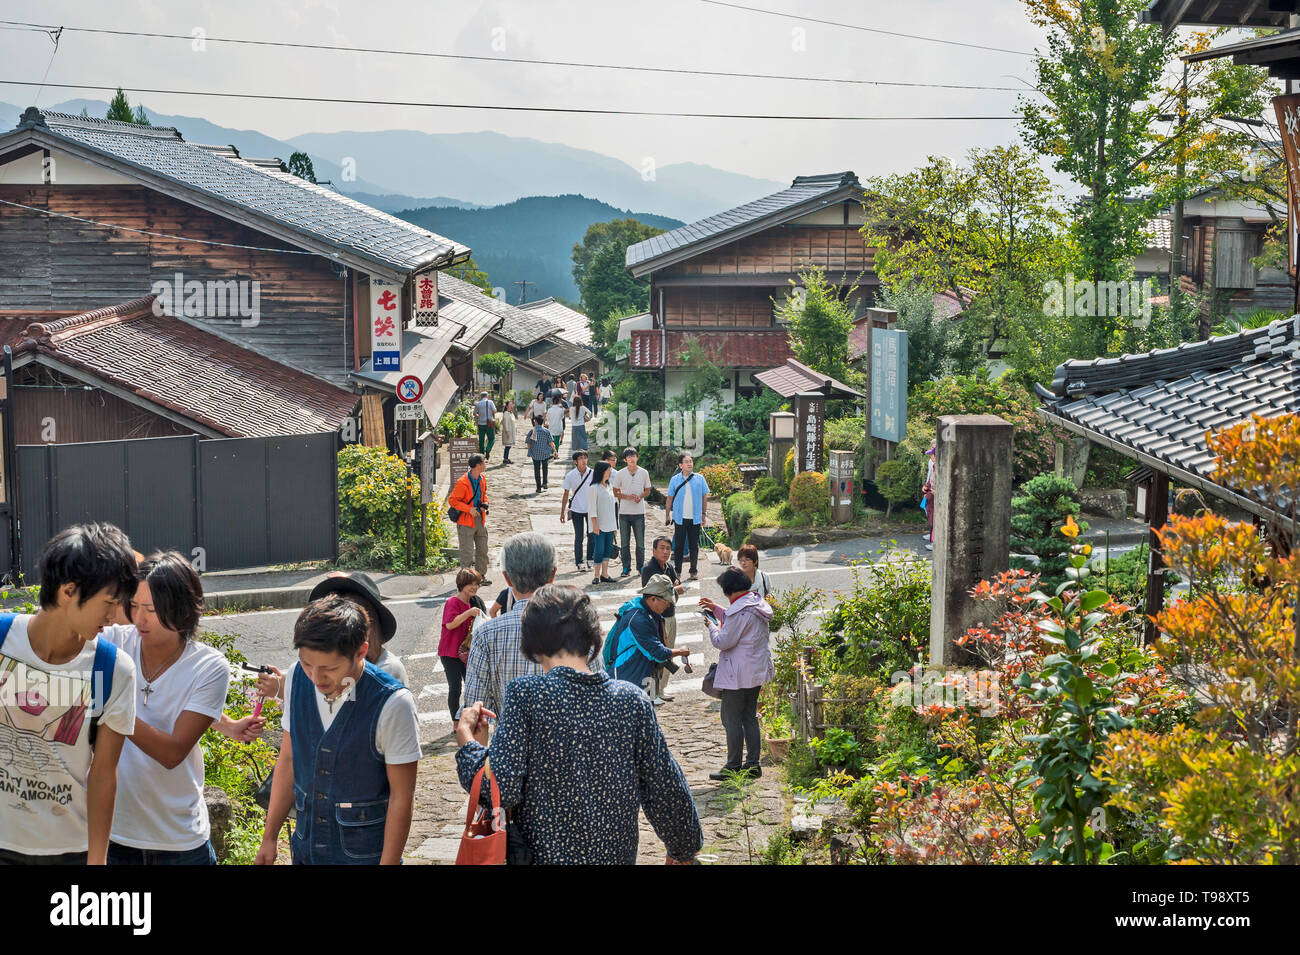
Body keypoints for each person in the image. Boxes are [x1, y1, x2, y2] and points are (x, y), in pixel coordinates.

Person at [455, 584, 701, 864]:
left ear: (533, 643)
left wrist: (469, 744)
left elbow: (501, 789)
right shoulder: (632, 701)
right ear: (593, 638)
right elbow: (665, 787)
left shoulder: (526, 695)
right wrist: (682, 850)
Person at [0, 523, 139, 865]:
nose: (114, 617)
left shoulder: (113, 669)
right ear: (68, 591)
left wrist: (97, 860)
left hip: (67, 851)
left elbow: (104, 774)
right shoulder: (3, 640)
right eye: (108, 603)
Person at [256, 596, 420, 865]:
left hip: (365, 855)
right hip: (306, 850)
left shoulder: (393, 703)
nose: (316, 678)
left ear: (361, 651)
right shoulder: (297, 677)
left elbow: (402, 797)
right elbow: (287, 760)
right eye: (308, 664)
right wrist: (269, 837)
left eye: (329, 669)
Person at [99, 552, 229, 865]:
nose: (139, 618)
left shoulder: (208, 666)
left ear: (182, 609)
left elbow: (172, 753)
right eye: (134, 606)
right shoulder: (114, 642)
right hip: (115, 834)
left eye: (152, 610)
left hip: (180, 841)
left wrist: (111, 704)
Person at [460, 532, 580, 721]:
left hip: (511, 747)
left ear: (507, 579)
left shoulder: (486, 634)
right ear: (553, 574)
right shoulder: (579, 627)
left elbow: (476, 711)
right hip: (569, 747)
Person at [699, 568, 774, 780]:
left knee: (731, 719)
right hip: (756, 671)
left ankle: (733, 766)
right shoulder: (755, 603)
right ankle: (752, 764)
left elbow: (723, 641)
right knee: (749, 717)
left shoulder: (739, 611)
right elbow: (739, 622)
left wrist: (712, 626)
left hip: (738, 675)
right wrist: (718, 610)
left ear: (730, 591)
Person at [602, 574, 690, 706]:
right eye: (666, 602)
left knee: (648, 711)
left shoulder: (647, 612)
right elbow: (657, 652)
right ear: (654, 598)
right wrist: (681, 651)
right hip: (626, 678)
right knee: (629, 719)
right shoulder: (638, 619)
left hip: (644, 676)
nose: (668, 606)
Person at [641, 537, 685, 703]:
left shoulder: (669, 567)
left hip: (671, 616)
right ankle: (652, 694)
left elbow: (677, 589)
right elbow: (654, 595)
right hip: (657, 619)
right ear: (653, 550)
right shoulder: (649, 569)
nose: (665, 552)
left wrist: (672, 590)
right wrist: (673, 588)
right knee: (655, 657)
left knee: (668, 655)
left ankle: (661, 690)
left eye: (668, 548)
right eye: (661, 548)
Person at [440, 569, 481, 720]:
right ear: (461, 584)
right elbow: (450, 624)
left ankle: (469, 718)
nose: (474, 587)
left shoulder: (473, 602)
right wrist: (468, 613)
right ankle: (456, 723)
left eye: (477, 584)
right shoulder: (453, 602)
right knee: (455, 688)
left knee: (471, 687)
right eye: (471, 584)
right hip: (449, 652)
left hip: (465, 653)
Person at [665, 453, 710, 581]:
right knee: (678, 546)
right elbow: (669, 498)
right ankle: (677, 572)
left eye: (691, 461)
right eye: (686, 461)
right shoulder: (675, 480)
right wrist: (667, 514)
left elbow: (704, 497)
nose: (690, 463)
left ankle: (693, 571)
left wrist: (703, 514)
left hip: (695, 518)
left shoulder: (700, 478)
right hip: (679, 517)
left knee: (693, 546)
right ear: (680, 465)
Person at [448, 453, 490, 584]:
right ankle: (466, 581)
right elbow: (453, 501)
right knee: (467, 553)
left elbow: (484, 495)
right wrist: (469, 509)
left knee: (483, 550)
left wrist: (485, 503)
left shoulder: (482, 478)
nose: (485, 464)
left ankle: (480, 576)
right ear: (477, 465)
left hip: (480, 519)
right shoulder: (463, 482)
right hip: (466, 521)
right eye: (484, 462)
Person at [613, 446, 652, 578]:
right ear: (625, 459)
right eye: (629, 457)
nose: (632, 458)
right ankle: (626, 567)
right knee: (624, 543)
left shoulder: (644, 472)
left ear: (637, 457)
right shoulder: (620, 473)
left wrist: (640, 496)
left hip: (639, 513)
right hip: (624, 513)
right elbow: (615, 491)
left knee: (640, 542)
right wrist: (627, 497)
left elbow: (648, 489)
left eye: (634, 456)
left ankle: (640, 567)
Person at [560, 449, 594, 573]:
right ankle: (579, 562)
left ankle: (590, 559)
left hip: (591, 509)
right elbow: (566, 493)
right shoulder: (570, 475)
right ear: (575, 461)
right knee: (579, 537)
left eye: (585, 458)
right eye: (580, 458)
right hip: (576, 509)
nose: (583, 460)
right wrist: (562, 512)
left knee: (592, 536)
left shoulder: (593, 473)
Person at [588, 461, 617, 586]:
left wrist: (615, 526)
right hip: (599, 525)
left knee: (607, 549)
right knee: (599, 550)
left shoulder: (609, 486)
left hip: (610, 524)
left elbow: (613, 507)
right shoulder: (594, 488)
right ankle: (596, 575)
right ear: (601, 472)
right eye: (608, 471)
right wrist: (595, 525)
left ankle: (605, 574)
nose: (610, 473)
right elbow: (592, 508)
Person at [526, 414, 555, 493]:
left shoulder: (532, 431)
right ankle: (545, 483)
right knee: (545, 468)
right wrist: (555, 451)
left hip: (535, 454)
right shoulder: (546, 431)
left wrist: (529, 451)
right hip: (545, 453)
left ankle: (538, 487)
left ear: (535, 422)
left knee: (537, 470)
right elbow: (551, 442)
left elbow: (528, 442)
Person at [922, 442, 937, 551]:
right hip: (931, 497)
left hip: (936, 499)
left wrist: (936, 492)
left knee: (935, 520)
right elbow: (930, 480)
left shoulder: (941, 468)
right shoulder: (933, 465)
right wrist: (926, 487)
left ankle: (934, 543)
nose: (930, 456)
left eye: (932, 454)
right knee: (931, 518)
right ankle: (932, 540)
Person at [474, 391, 498, 459]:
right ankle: (488, 449)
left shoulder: (478, 403)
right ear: (487, 396)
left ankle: (481, 456)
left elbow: (474, 414)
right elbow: (495, 411)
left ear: (481, 397)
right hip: (489, 423)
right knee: (492, 438)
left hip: (480, 424)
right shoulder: (490, 402)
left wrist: (479, 416)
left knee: (481, 440)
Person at [498, 399, 518, 465]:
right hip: (508, 431)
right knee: (508, 446)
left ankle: (506, 458)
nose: (511, 405)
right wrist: (507, 431)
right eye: (510, 404)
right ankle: (505, 459)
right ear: (507, 406)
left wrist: (515, 428)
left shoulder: (510, 413)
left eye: (512, 404)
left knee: (509, 446)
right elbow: (505, 423)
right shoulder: (506, 413)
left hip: (511, 431)